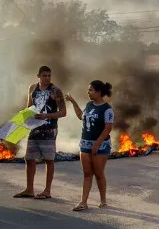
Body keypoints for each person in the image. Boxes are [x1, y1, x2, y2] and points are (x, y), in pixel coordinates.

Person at [14, 65, 66, 199]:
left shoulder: (55, 91)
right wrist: (23, 118)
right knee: (29, 159)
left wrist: (46, 116)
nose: (47, 78)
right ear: (38, 75)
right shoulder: (32, 88)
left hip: (49, 129)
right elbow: (29, 107)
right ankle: (29, 189)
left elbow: (63, 112)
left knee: (49, 160)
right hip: (34, 128)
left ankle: (47, 190)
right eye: (44, 75)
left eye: (49, 75)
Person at [65, 80, 114, 211]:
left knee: (99, 173)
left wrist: (97, 144)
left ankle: (103, 201)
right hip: (85, 143)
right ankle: (83, 202)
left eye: (91, 90)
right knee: (87, 174)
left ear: (98, 92)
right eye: (88, 90)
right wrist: (73, 101)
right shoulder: (89, 105)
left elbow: (108, 128)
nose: (88, 93)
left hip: (100, 145)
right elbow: (81, 116)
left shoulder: (107, 109)